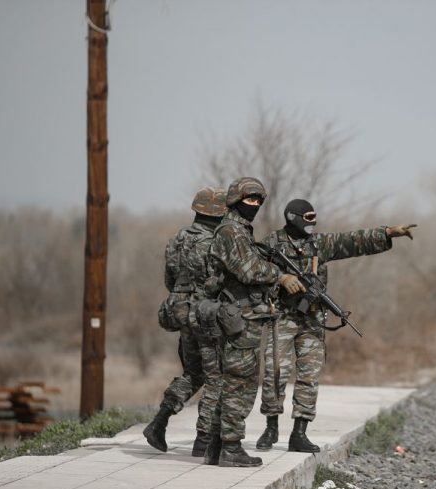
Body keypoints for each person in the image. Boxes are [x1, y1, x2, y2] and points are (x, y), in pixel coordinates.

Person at [256, 198, 416, 452]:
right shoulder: (272, 243)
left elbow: (352, 241)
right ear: (292, 218)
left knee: (309, 375)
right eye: (308, 217)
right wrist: (281, 278)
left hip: (312, 319)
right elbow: (254, 270)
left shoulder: (319, 243)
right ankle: (271, 427)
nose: (313, 222)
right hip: (282, 317)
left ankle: (299, 433)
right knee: (276, 371)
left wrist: (387, 233)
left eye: (314, 217)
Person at [203, 177, 305, 467]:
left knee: (234, 382)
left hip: (244, 315)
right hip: (239, 317)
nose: (256, 205)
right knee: (241, 384)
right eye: (250, 199)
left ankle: (217, 447)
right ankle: (231, 448)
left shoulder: (240, 230)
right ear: (236, 200)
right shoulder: (231, 231)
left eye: (259, 200)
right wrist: (280, 276)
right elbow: (248, 270)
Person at [143, 186, 227, 456]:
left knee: (194, 373)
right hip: (206, 316)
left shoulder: (177, 239)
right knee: (216, 377)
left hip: (181, 313)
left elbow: (170, 280)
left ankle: (159, 422)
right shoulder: (216, 242)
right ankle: (203, 440)